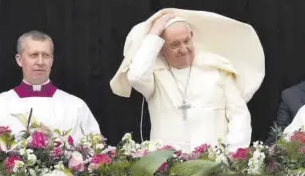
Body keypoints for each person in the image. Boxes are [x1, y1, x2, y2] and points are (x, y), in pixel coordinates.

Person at [110, 8, 265, 152]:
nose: (184, 49)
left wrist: (232, 153)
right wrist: (153, 33)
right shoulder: (155, 75)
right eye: (174, 44)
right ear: (161, 49)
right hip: (169, 167)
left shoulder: (217, 69)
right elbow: (136, 76)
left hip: (215, 164)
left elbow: (239, 115)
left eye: (186, 40)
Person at [0, 31, 101, 140]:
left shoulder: (76, 107)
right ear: (19, 60)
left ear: (52, 60)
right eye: (34, 55)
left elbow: (95, 150)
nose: (40, 62)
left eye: (46, 55)